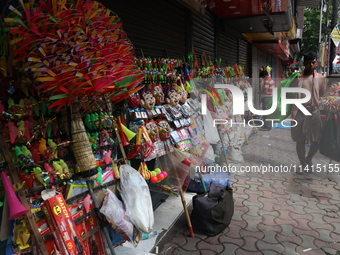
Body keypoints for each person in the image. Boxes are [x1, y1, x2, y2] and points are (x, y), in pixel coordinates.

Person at [290, 52, 326, 172]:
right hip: (300, 111)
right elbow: (288, 91)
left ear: (316, 63)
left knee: (317, 140)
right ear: (304, 63)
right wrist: (295, 81)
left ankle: (308, 158)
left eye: (313, 62)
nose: (311, 65)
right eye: (309, 62)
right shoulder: (297, 77)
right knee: (300, 139)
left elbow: (322, 94)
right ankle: (302, 164)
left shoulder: (321, 78)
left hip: (314, 112)